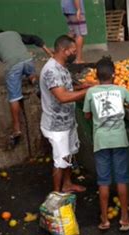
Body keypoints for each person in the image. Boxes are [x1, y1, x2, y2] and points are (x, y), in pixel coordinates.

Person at [83, 56, 129, 231]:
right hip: (119, 140)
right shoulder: (120, 90)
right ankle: (124, 218)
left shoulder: (91, 92)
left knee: (103, 181)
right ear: (114, 75)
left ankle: (105, 220)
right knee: (122, 180)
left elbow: (86, 115)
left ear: (96, 76)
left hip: (101, 142)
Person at [0, 31, 54, 145]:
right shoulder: (15, 34)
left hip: (13, 66)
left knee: (14, 97)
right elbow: (34, 37)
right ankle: (35, 82)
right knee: (30, 73)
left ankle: (17, 129)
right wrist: (49, 52)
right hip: (27, 60)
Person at [39, 35, 87, 193]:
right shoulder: (51, 70)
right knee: (60, 160)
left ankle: (67, 184)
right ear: (64, 51)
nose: (76, 53)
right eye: (73, 51)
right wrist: (89, 91)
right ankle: (57, 195)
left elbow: (68, 88)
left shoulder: (62, 66)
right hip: (56, 125)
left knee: (68, 155)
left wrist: (83, 86)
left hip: (67, 122)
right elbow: (62, 96)